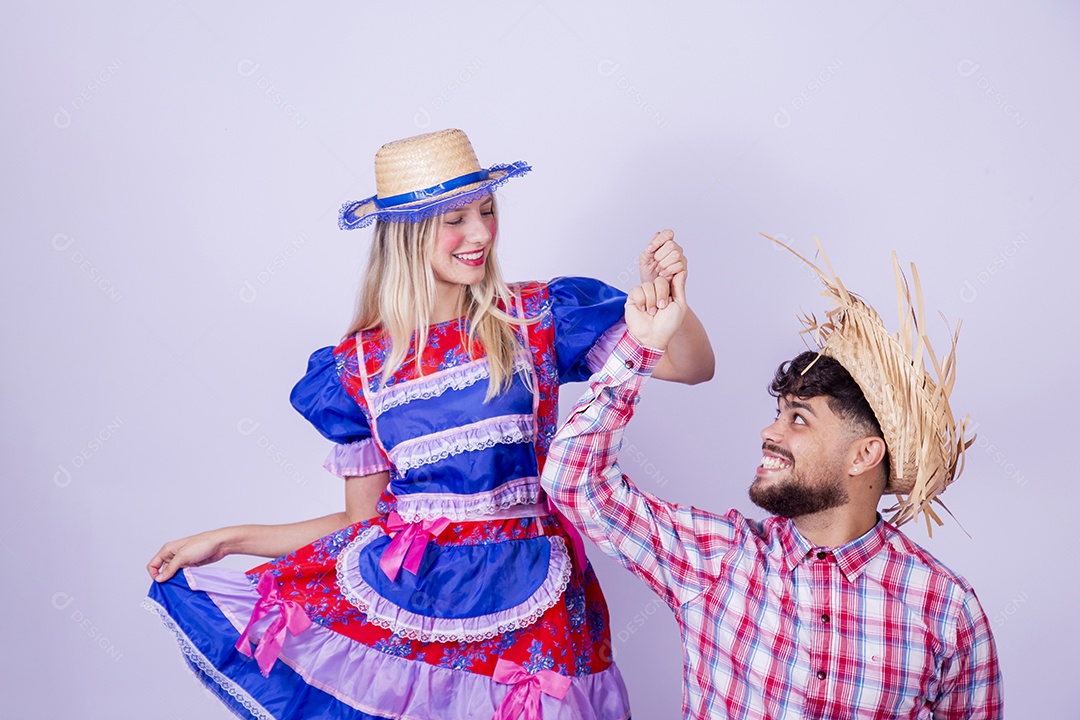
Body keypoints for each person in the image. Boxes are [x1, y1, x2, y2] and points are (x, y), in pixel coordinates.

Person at [144, 128, 715, 720]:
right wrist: (229, 539)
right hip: (415, 606)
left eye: (487, 212)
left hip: (539, 606)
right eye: (456, 220)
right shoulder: (357, 368)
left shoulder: (536, 317)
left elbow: (693, 367)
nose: (480, 234)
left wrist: (672, 300)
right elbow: (362, 524)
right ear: (407, 236)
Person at [541, 240, 1003, 719]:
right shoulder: (717, 558)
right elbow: (575, 482)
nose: (768, 432)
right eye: (777, 413)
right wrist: (640, 347)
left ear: (865, 454)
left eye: (798, 419)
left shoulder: (945, 608)